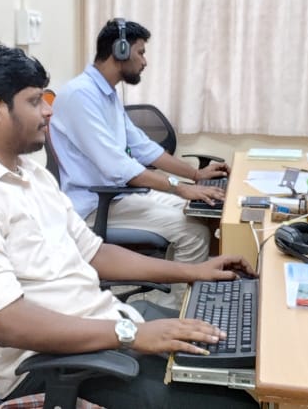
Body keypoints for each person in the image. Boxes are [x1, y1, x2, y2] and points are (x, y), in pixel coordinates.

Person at [0, 44, 259, 408]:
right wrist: (131, 334)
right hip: (54, 366)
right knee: (235, 403)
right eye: (34, 101)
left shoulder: (30, 174)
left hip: (102, 326)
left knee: (237, 353)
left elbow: (94, 252)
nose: (49, 110)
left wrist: (194, 271)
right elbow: (8, 323)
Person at [49, 19, 229, 270]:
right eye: (141, 52)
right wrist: (179, 188)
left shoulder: (106, 93)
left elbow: (143, 147)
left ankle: (190, 282)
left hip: (120, 196)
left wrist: (196, 176)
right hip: (95, 205)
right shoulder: (80, 96)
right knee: (193, 231)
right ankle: (183, 295)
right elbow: (118, 167)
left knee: (204, 210)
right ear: (120, 51)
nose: (144, 61)